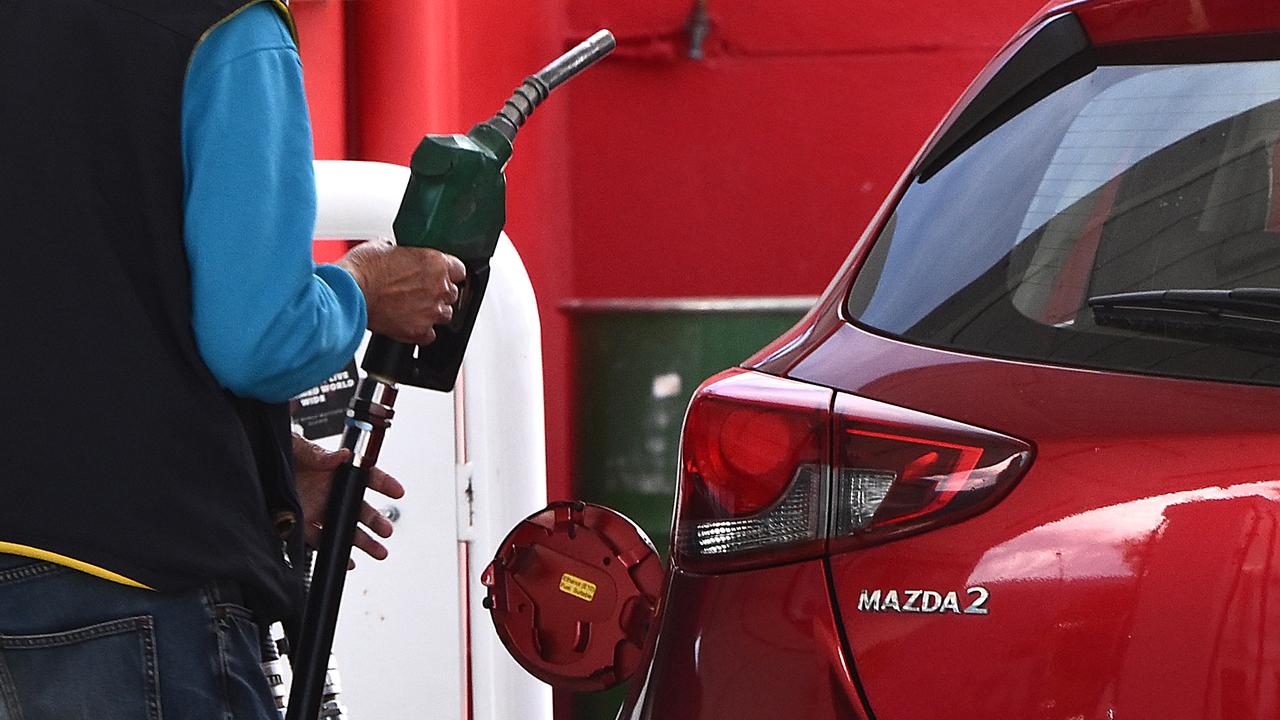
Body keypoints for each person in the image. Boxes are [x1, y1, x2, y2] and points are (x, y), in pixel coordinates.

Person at [0, 1, 463, 718]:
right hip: (131, 579)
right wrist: (365, 289)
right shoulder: (226, 22)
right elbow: (260, 339)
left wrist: (257, 460)